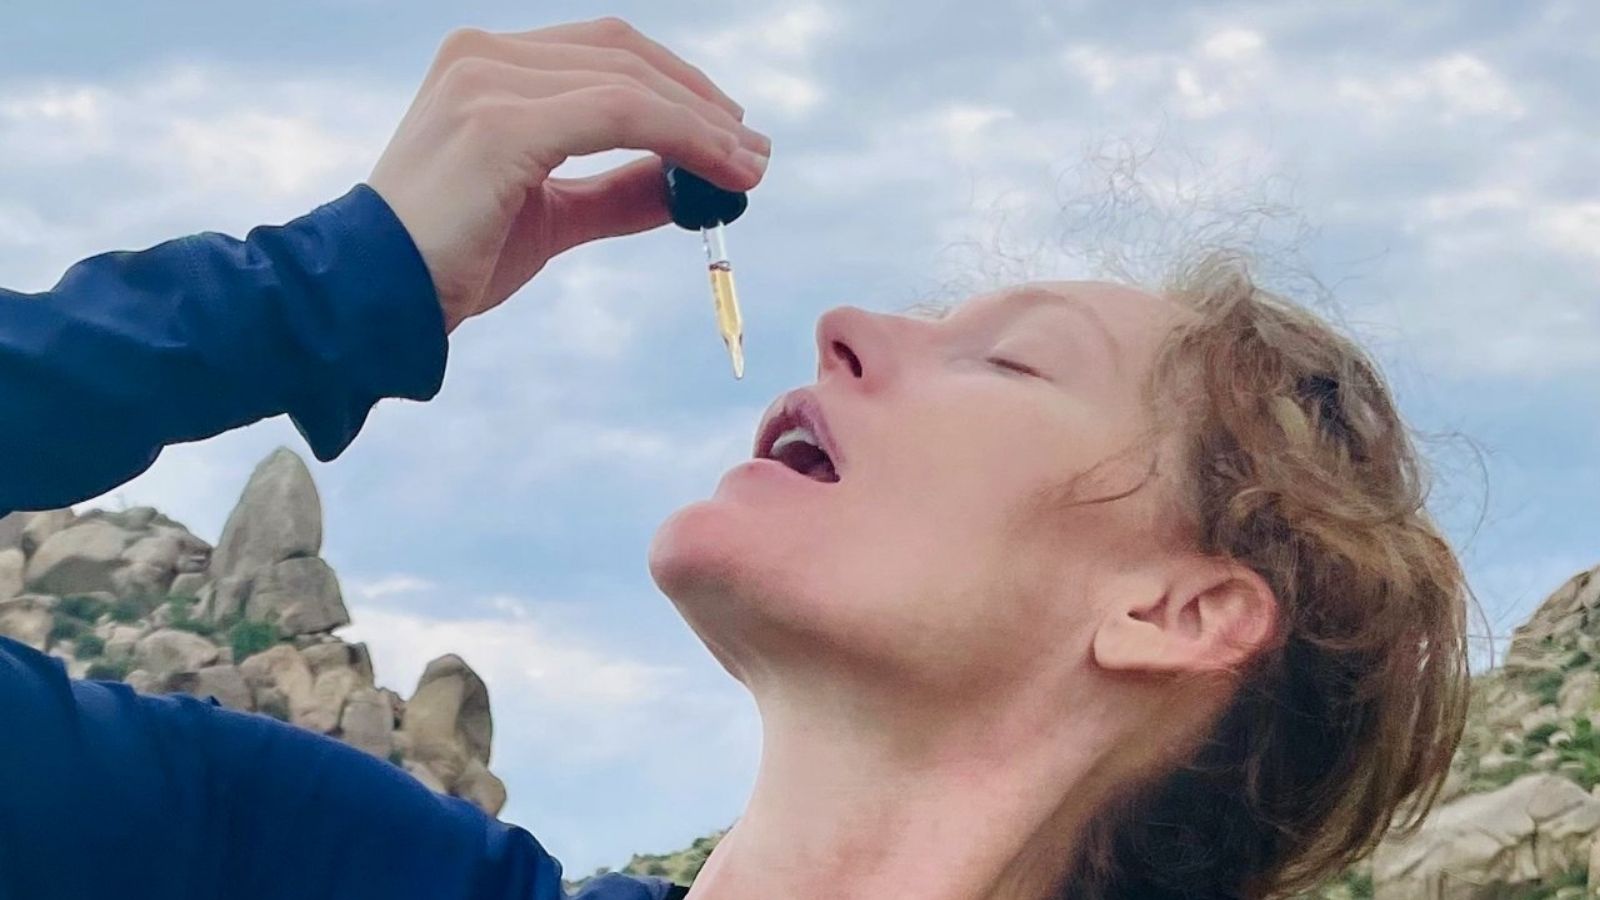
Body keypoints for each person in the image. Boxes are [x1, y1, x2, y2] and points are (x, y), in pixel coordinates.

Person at [0, 18, 1471, 900]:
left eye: (1010, 358)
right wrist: (315, 296)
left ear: (1176, 610)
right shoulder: (313, 865)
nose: (840, 329)